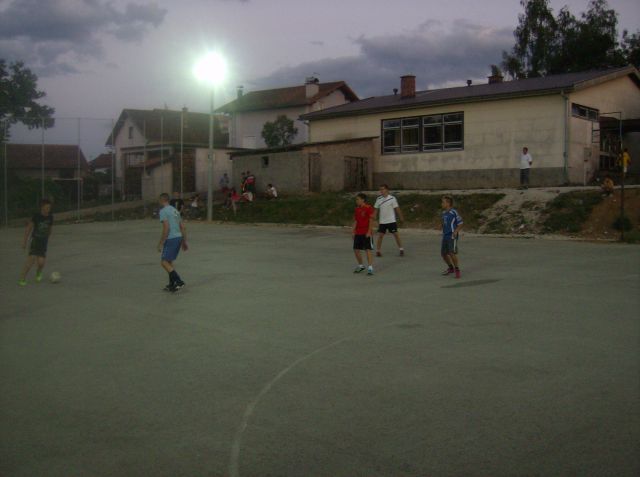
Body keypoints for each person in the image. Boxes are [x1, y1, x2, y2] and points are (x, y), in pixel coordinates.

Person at [19, 199, 53, 286]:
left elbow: (50, 228)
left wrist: (47, 237)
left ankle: (38, 272)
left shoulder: (50, 217)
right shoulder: (36, 216)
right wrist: (24, 241)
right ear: (42, 207)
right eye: (46, 207)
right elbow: (28, 229)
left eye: (49, 207)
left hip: (43, 242)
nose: (48, 209)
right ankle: (22, 278)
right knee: (31, 261)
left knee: (41, 263)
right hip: (35, 241)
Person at [157, 193, 188, 292]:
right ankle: (172, 284)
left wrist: (161, 242)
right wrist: (184, 241)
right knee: (169, 262)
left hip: (171, 238)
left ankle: (178, 281)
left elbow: (166, 228)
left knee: (164, 262)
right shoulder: (175, 211)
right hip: (178, 237)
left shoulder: (163, 211)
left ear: (161, 200)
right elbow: (182, 226)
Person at [374, 184, 405, 257]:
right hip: (382, 221)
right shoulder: (378, 199)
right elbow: (375, 210)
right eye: (380, 189)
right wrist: (374, 218)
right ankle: (378, 251)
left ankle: (401, 249)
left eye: (383, 189)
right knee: (380, 236)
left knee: (396, 235)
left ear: (387, 190)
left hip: (391, 221)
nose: (381, 191)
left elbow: (397, 209)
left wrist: (401, 218)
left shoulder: (392, 198)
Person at [352, 193, 375, 276]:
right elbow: (355, 221)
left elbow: (371, 220)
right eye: (356, 199)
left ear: (363, 200)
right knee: (356, 249)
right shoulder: (357, 209)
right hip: (358, 232)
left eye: (357, 199)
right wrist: (353, 231)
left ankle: (370, 268)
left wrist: (369, 231)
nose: (356, 201)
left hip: (366, 232)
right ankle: (361, 265)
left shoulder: (368, 208)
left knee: (367, 249)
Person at [441, 195, 463, 279]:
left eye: (443, 202)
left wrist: (456, 231)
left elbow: (461, 223)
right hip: (445, 236)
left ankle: (457, 269)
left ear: (448, 203)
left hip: (452, 236)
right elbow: (444, 223)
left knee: (451, 253)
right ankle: (451, 268)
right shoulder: (443, 213)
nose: (442, 204)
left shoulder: (454, 212)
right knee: (443, 254)